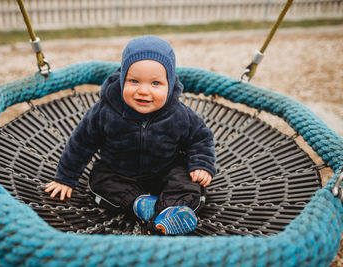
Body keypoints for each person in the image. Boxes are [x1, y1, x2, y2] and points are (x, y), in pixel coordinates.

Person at [45, 35, 216, 235]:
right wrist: (65, 178)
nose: (143, 91)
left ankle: (173, 210)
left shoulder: (178, 114)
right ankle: (141, 204)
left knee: (188, 182)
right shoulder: (105, 111)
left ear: (169, 84)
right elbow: (81, 142)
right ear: (122, 78)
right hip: (118, 170)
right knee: (100, 181)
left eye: (155, 84)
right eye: (134, 81)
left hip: (166, 168)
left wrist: (202, 164)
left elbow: (201, 138)